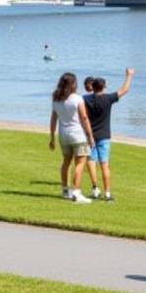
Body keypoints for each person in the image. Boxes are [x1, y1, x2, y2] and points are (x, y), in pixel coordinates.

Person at [83, 68, 134, 201]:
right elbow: (124, 90)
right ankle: (107, 193)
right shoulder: (108, 99)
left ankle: (95, 188)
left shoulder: (86, 99)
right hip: (104, 136)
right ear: (104, 87)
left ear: (92, 87)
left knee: (91, 162)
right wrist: (129, 75)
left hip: (90, 136)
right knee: (104, 165)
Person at [49, 72, 95, 204]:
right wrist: (90, 136)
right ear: (73, 84)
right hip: (78, 135)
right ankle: (76, 192)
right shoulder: (77, 98)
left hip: (63, 134)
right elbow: (84, 118)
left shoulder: (56, 97)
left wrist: (52, 137)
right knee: (80, 163)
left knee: (66, 162)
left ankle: (65, 190)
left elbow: (53, 118)